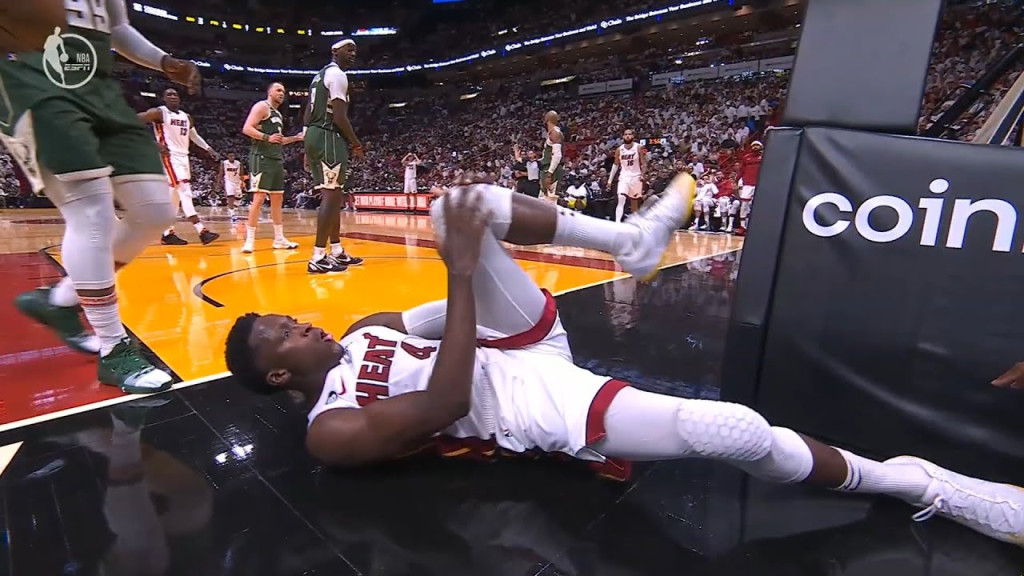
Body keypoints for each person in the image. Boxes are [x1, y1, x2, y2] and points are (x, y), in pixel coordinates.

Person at [224, 173, 1024, 549]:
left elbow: (443, 317)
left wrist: (478, 268)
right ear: (280, 376)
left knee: (456, 208)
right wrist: (464, 273)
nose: (304, 323)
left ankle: (631, 242)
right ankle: (913, 480)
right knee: (734, 430)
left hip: (510, 342)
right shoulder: (330, 432)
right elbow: (443, 403)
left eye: (293, 318)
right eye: (287, 334)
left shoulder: (362, 326)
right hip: (523, 403)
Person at [2, 0, 200, 393]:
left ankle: (60, 299)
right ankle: (113, 348)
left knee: (156, 212)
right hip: (32, 78)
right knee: (92, 213)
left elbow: (117, 27)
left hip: (100, 87)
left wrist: (163, 61)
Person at [302, 39, 363, 273]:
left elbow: (308, 112)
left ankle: (336, 250)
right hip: (328, 135)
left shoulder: (318, 76)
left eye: (355, 51)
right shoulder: (338, 75)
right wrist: (356, 144)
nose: (353, 54)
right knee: (331, 195)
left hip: (315, 135)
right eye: (349, 50)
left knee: (335, 194)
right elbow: (339, 117)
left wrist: (306, 144)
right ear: (335, 52)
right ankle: (318, 256)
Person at [137, 87, 220, 246]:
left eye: (175, 94)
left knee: (174, 197)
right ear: (163, 98)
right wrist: (153, 143)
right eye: (169, 94)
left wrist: (209, 149)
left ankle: (167, 233)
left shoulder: (186, 116)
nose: (173, 96)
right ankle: (202, 231)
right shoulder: (159, 113)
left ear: (180, 98)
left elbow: (194, 135)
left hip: (183, 157)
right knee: (185, 190)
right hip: (169, 156)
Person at [241, 82, 304, 254]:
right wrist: (266, 137)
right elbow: (247, 128)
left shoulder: (278, 114)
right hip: (261, 157)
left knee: (277, 198)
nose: (282, 93)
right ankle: (249, 240)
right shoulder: (262, 106)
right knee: (259, 198)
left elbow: (279, 140)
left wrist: (296, 138)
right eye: (278, 90)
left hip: (276, 159)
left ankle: (279, 238)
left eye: (283, 91)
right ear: (269, 92)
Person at [607, 128, 646, 223]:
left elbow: (643, 163)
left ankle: (635, 222)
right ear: (623, 136)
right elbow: (615, 165)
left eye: (629, 134)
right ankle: (617, 223)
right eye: (625, 134)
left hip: (636, 176)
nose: (627, 136)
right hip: (624, 177)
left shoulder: (638, 147)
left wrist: (642, 174)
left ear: (633, 136)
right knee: (621, 199)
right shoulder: (619, 149)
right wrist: (609, 181)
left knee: (634, 202)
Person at [540, 111, 564, 201]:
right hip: (548, 167)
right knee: (545, 198)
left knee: (551, 199)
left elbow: (557, 155)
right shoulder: (552, 132)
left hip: (551, 170)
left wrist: (549, 173)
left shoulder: (555, 133)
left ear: (547, 119)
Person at [217, 152, 245, 221]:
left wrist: (242, 182)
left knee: (239, 198)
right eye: (230, 156)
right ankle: (232, 214)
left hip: (237, 182)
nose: (232, 157)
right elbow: (221, 173)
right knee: (231, 196)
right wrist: (218, 183)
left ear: (235, 156)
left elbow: (241, 174)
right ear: (228, 156)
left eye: (233, 156)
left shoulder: (238, 163)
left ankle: (233, 207)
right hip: (229, 181)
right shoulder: (224, 163)